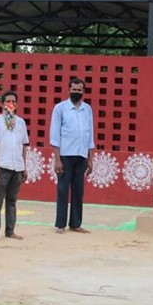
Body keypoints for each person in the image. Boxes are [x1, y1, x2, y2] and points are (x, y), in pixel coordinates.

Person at [50, 78, 94, 234]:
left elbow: (90, 135)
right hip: (65, 155)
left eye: (79, 90)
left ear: (83, 91)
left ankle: (75, 224)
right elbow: (54, 135)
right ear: (69, 90)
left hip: (81, 154)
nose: (77, 92)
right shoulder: (60, 108)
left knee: (78, 190)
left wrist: (90, 159)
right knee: (63, 189)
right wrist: (57, 159)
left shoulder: (87, 109)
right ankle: (60, 224)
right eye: (74, 90)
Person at [0, 90, 29, 241]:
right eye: (8, 101)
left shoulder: (21, 123)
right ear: (2, 104)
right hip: (2, 165)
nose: (11, 104)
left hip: (17, 167)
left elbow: (24, 145)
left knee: (12, 201)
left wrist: (24, 167)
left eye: (13, 101)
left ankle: (10, 231)